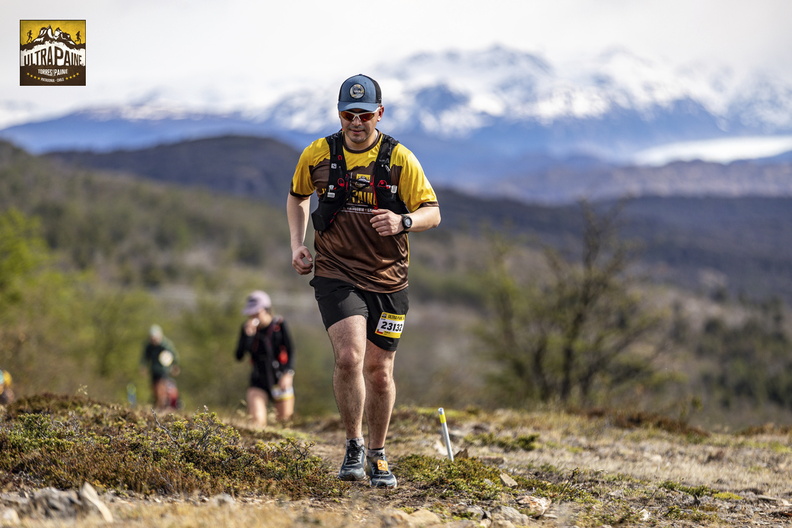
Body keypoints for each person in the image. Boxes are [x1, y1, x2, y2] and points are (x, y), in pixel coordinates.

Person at [287, 74, 441, 488]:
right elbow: (298, 196)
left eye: (365, 115)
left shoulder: (399, 158)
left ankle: (378, 452)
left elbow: (433, 212)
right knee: (349, 357)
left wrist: (403, 221)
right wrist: (297, 244)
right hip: (336, 272)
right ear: (339, 114)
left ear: (380, 113)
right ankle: (353, 445)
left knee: (379, 371)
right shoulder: (317, 154)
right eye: (348, 115)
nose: (356, 123)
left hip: (389, 279)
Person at [234, 290, 295, 427]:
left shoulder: (279, 325)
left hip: (280, 378)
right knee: (257, 422)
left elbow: (291, 350)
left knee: (284, 423)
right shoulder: (246, 328)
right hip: (258, 380)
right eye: (251, 313)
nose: (253, 316)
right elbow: (239, 355)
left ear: (266, 309)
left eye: (256, 312)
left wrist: (288, 374)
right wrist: (248, 336)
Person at [140, 324, 180, 410]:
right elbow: (145, 357)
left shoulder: (166, 345)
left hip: (163, 370)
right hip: (154, 370)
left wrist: (175, 365)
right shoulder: (149, 346)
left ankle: (162, 404)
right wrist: (143, 366)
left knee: (161, 387)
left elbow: (174, 355)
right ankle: (158, 403)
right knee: (154, 387)